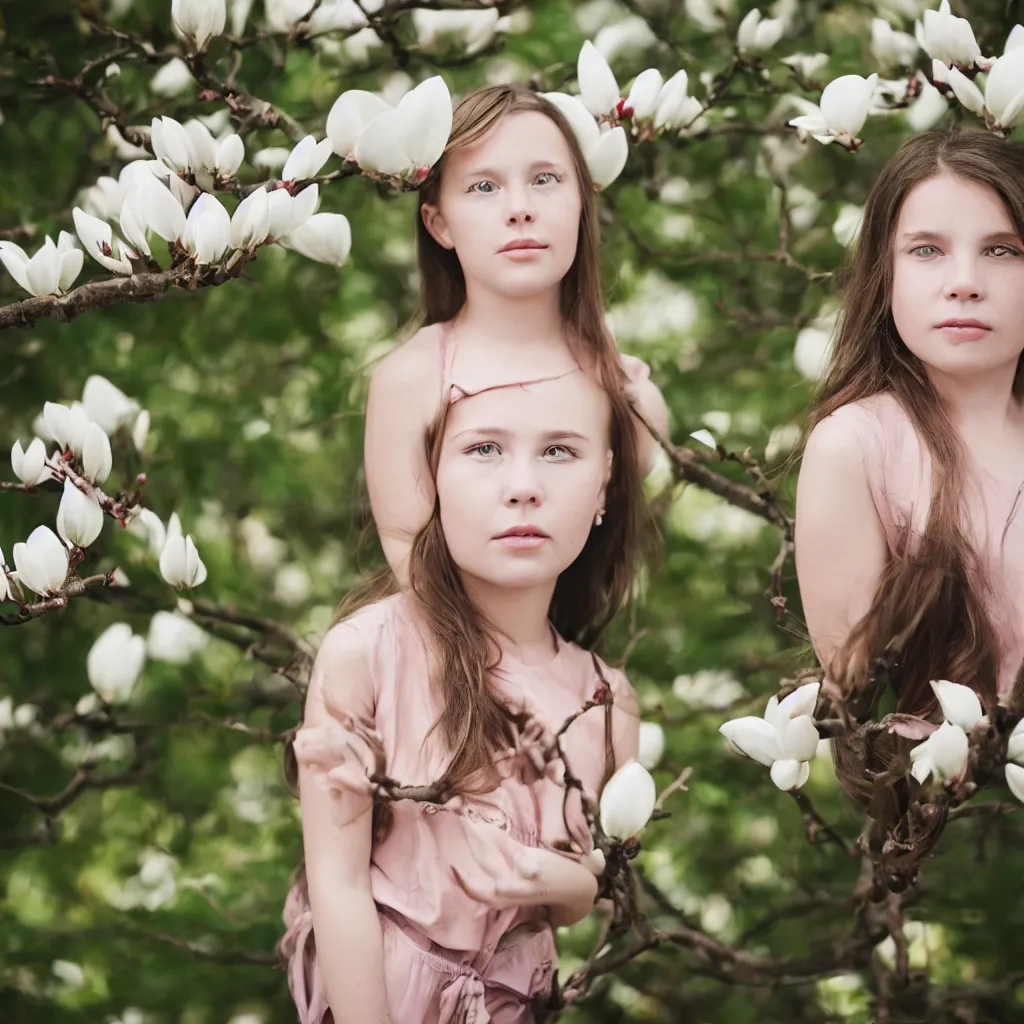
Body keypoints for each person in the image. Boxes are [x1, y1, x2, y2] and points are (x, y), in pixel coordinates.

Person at [279, 364, 647, 1023]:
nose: (524, 488)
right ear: (433, 478)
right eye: (484, 449)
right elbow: (337, 888)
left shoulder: (606, 701)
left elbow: (578, 893)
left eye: (560, 451)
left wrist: (567, 882)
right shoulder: (368, 653)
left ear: (604, 485)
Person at [795, 130, 1024, 814]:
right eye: (927, 250)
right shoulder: (856, 449)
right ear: (885, 274)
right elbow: (862, 709)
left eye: (1002, 250)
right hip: (962, 824)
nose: (964, 282)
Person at [364, 84, 670, 585]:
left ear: (581, 202)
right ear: (439, 224)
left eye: (546, 179)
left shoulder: (626, 395)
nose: (520, 208)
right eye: (484, 187)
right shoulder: (412, 379)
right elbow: (413, 568)